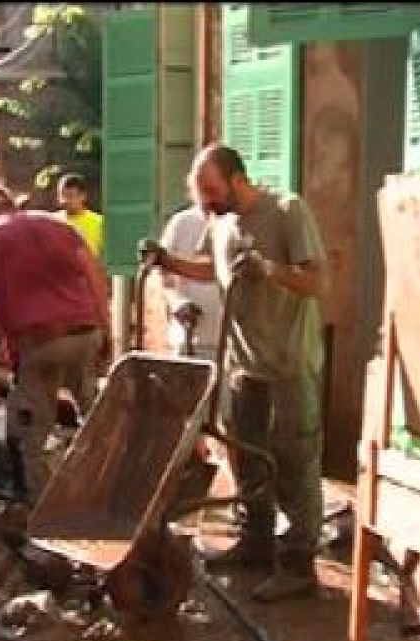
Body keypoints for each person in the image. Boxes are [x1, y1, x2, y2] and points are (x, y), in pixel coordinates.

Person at [139, 143, 327, 603]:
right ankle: (256, 543)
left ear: (237, 179)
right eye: (199, 193)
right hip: (245, 365)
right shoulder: (221, 223)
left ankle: (299, 564)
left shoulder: (287, 211)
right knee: (248, 458)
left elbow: (317, 279)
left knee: (295, 462)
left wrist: (271, 270)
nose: (204, 201)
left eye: (210, 190)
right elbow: (211, 270)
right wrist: (168, 261)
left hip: (289, 363)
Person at [0, 206, 112, 501]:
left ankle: (36, 509)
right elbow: (95, 276)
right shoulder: (58, 226)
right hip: (85, 333)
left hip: (40, 344)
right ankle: (109, 490)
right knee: (98, 419)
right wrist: (107, 329)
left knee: (30, 434)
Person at [154, 199, 223, 358]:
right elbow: (163, 273)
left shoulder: (238, 222)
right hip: (188, 337)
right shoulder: (181, 222)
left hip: (230, 340)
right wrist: (176, 302)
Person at [57, 172, 105, 259]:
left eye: (70, 196)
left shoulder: (99, 222)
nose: (65, 201)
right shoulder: (52, 222)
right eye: (62, 196)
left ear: (82, 196)